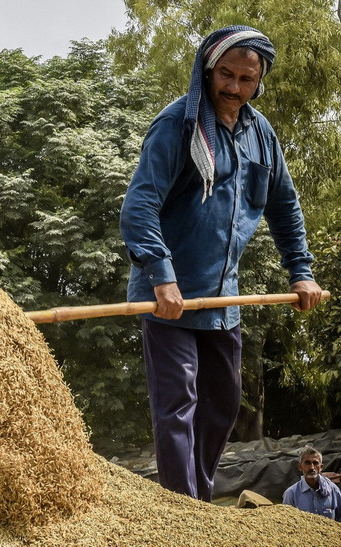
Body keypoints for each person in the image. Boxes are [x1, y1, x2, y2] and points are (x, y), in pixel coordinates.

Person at [119, 26, 324, 502]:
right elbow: (139, 206)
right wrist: (162, 279)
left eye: (246, 79)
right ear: (209, 71)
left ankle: (199, 498)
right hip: (167, 296)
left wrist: (302, 271)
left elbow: (285, 208)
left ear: (259, 81)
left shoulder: (262, 135)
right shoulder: (177, 126)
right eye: (225, 74)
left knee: (222, 406)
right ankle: (183, 507)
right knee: (178, 403)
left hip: (222, 298)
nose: (233, 87)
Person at [282, 446, 341, 521]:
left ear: (321, 467)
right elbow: (286, 523)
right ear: (300, 467)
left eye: (315, 463)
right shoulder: (291, 494)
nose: (312, 467)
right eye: (307, 463)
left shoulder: (333, 490)